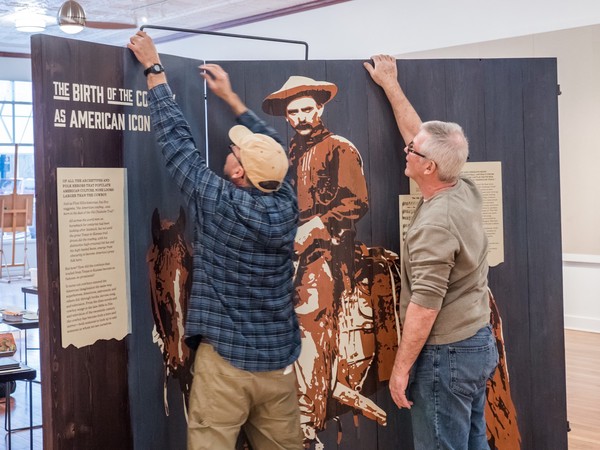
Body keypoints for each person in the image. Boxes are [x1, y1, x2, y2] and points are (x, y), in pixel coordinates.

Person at [128, 31, 303, 450]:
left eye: (236, 151)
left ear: (239, 173)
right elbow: (275, 149)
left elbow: (178, 145)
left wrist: (154, 69)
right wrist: (232, 99)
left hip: (226, 364)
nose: (231, 148)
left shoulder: (221, 202)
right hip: (279, 365)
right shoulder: (285, 201)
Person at [364, 54, 499, 449]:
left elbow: (424, 306)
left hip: (447, 356)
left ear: (429, 168)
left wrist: (402, 370)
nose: (407, 150)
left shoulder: (435, 223)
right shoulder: (461, 185)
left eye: (414, 152)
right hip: (476, 342)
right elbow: (419, 135)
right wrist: (391, 85)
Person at [262, 77, 371, 441]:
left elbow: (356, 202)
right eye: (293, 112)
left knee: (310, 312)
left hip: (330, 253)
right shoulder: (288, 154)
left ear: (320, 108)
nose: (301, 117)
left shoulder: (339, 148)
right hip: (288, 251)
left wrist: (315, 227)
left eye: (307, 109)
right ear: (287, 118)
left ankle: (307, 418)